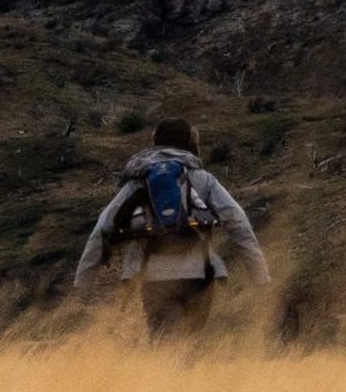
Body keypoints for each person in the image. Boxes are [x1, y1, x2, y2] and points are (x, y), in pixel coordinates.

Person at [75, 115, 269, 337]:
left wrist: (84, 283)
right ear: (190, 144)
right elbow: (239, 222)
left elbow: (101, 230)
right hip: (199, 275)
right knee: (190, 342)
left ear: (156, 142)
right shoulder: (202, 179)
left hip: (154, 277)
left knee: (164, 344)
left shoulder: (138, 180)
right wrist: (259, 276)